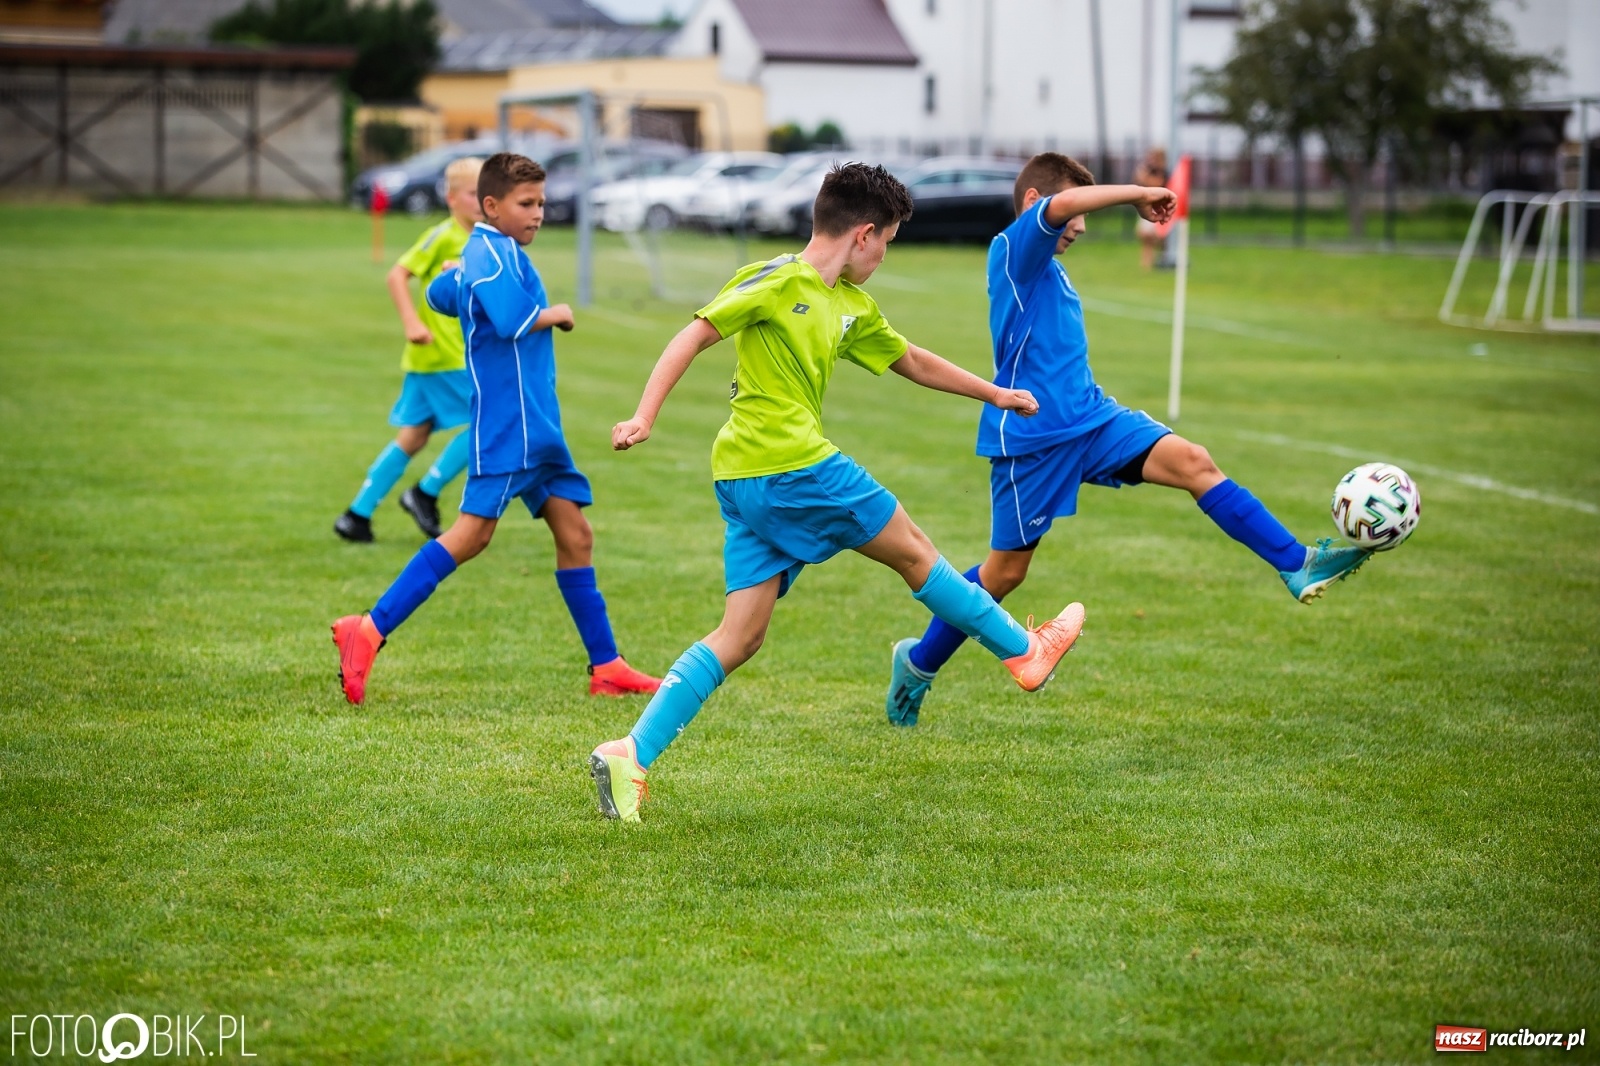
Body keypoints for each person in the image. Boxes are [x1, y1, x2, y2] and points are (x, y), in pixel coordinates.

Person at [587, 163, 1087, 823]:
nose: (884, 257)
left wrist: (993, 392)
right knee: (914, 550)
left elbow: (910, 358)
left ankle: (631, 754)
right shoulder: (775, 279)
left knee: (740, 636)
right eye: (888, 243)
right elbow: (696, 333)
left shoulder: (849, 304)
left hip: (744, 477)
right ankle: (1025, 653)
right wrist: (645, 415)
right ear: (865, 234)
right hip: (792, 464)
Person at [884, 153, 1374, 728]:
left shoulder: (1053, 269)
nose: (1082, 227)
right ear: (1034, 202)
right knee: (1005, 575)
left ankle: (1297, 564)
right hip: (1033, 438)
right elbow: (1063, 206)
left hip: (1093, 421)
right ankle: (916, 666)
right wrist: (1139, 193)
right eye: (1072, 214)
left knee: (1194, 461)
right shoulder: (1013, 249)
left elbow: (1067, 218)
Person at [330, 153, 662, 704]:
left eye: (541, 202)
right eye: (526, 204)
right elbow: (510, 321)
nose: (538, 213)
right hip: (510, 428)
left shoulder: (484, 252)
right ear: (492, 206)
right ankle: (366, 630)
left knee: (576, 536)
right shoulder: (493, 252)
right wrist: (556, 312)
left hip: (537, 427)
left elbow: (441, 297)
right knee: (470, 536)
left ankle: (607, 667)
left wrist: (454, 278)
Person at [335, 156, 483, 543]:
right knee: (490, 421)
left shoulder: (482, 240)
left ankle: (357, 514)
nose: (481, 200)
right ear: (451, 198)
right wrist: (412, 323)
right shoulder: (445, 235)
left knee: (414, 437)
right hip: (442, 354)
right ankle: (425, 492)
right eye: (472, 193)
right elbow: (397, 274)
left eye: (486, 193)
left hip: (434, 358)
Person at [1134, 147, 1169, 271]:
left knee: (1158, 237)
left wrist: (1144, 178)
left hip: (1158, 207)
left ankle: (1163, 258)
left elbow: (1157, 184)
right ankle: (1147, 264)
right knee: (1145, 236)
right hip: (1148, 206)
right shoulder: (1150, 169)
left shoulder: (1162, 171)